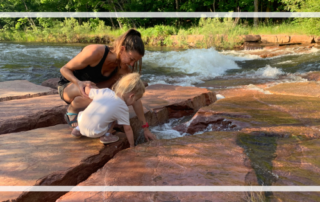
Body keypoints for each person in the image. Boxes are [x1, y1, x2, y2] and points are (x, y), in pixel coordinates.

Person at [57, 29, 156, 141]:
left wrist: (145, 127)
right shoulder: (96, 51)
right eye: (131, 59)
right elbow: (64, 69)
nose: (132, 64)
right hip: (70, 87)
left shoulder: (124, 69)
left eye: (135, 61)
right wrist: (79, 83)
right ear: (122, 49)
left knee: (121, 97)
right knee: (97, 92)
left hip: (94, 93)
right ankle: (74, 108)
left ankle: (86, 113)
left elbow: (135, 97)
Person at [71, 73, 145, 147]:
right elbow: (128, 129)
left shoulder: (105, 91)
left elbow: (88, 90)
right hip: (95, 132)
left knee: (94, 109)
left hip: (80, 123)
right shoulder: (123, 108)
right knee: (113, 118)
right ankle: (106, 135)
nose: (135, 102)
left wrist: (87, 84)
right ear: (131, 96)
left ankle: (77, 130)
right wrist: (132, 145)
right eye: (136, 99)